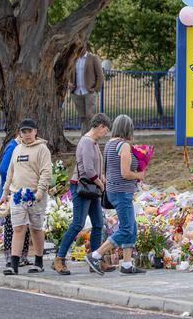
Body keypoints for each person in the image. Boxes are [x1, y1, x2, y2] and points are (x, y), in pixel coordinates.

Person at [53, 113, 114, 275]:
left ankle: (95, 259)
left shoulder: (93, 142)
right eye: (105, 130)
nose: (105, 133)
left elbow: (96, 166)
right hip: (83, 187)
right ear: (100, 126)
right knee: (78, 224)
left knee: (98, 224)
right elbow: (87, 169)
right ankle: (59, 258)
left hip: (91, 188)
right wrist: (101, 184)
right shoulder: (87, 142)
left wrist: (102, 179)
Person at [85, 114, 146, 275]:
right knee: (126, 228)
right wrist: (139, 175)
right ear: (128, 129)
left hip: (112, 190)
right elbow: (125, 173)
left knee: (131, 226)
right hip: (122, 191)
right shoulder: (124, 146)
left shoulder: (110, 144)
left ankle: (126, 264)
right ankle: (96, 255)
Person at [0, 119, 52, 275]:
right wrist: (5, 193)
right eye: (24, 132)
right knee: (18, 228)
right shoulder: (17, 149)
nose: (27, 134)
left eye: (30, 131)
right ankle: (13, 264)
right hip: (17, 195)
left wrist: (40, 192)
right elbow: (10, 172)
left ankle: (38, 261)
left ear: (35, 131)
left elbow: (46, 172)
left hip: (35, 195)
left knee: (36, 229)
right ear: (20, 133)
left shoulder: (42, 149)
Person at [0, 132, 31, 267]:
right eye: (26, 133)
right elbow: (3, 169)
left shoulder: (24, 147)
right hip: (12, 192)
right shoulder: (13, 147)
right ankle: (11, 256)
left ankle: (22, 256)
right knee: (13, 226)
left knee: (25, 225)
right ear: (20, 134)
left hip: (23, 192)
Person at [68, 44, 104, 135]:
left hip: (89, 92)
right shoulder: (73, 59)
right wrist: (69, 83)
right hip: (76, 92)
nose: (78, 50)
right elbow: (67, 73)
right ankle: (84, 137)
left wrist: (96, 90)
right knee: (83, 117)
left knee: (90, 116)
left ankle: (92, 137)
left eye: (80, 48)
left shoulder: (93, 58)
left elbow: (100, 76)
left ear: (84, 47)